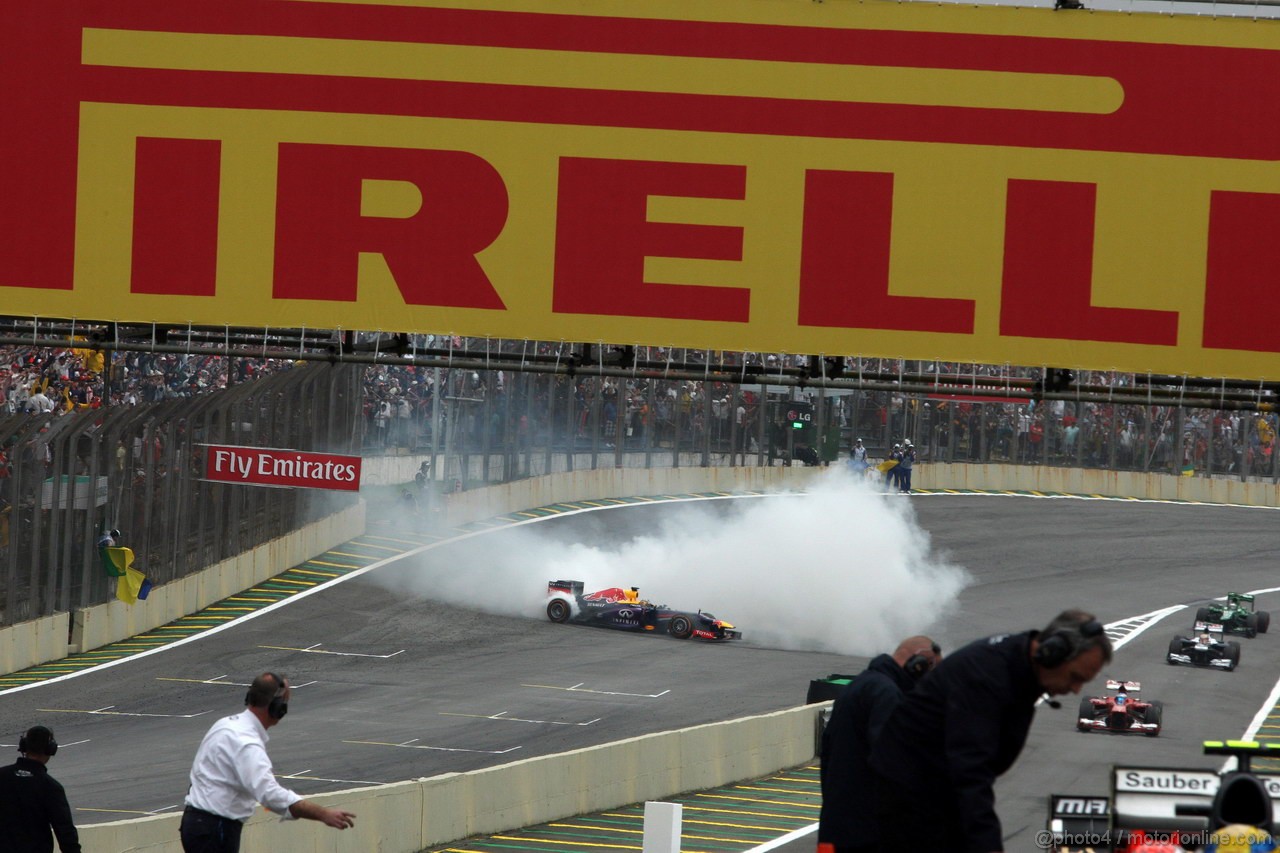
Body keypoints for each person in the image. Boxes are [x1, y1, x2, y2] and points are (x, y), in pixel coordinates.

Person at [868, 609, 1111, 853]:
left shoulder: (1020, 665)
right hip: (911, 802)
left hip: (933, 795)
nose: (1076, 690)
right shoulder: (987, 676)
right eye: (1075, 677)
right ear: (1052, 653)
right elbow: (970, 769)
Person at [181, 672, 356, 853]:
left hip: (197, 823)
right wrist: (323, 814)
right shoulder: (247, 744)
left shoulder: (225, 724)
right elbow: (270, 795)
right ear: (276, 708)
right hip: (215, 828)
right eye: (284, 703)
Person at [818, 636, 942, 853]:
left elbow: (828, 756)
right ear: (919, 663)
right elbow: (894, 763)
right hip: (866, 833)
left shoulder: (860, 686)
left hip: (838, 827)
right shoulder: (887, 695)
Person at [0, 724, 81, 853]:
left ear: (24, 746)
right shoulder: (50, 787)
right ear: (51, 749)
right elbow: (66, 834)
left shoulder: (2, 776)